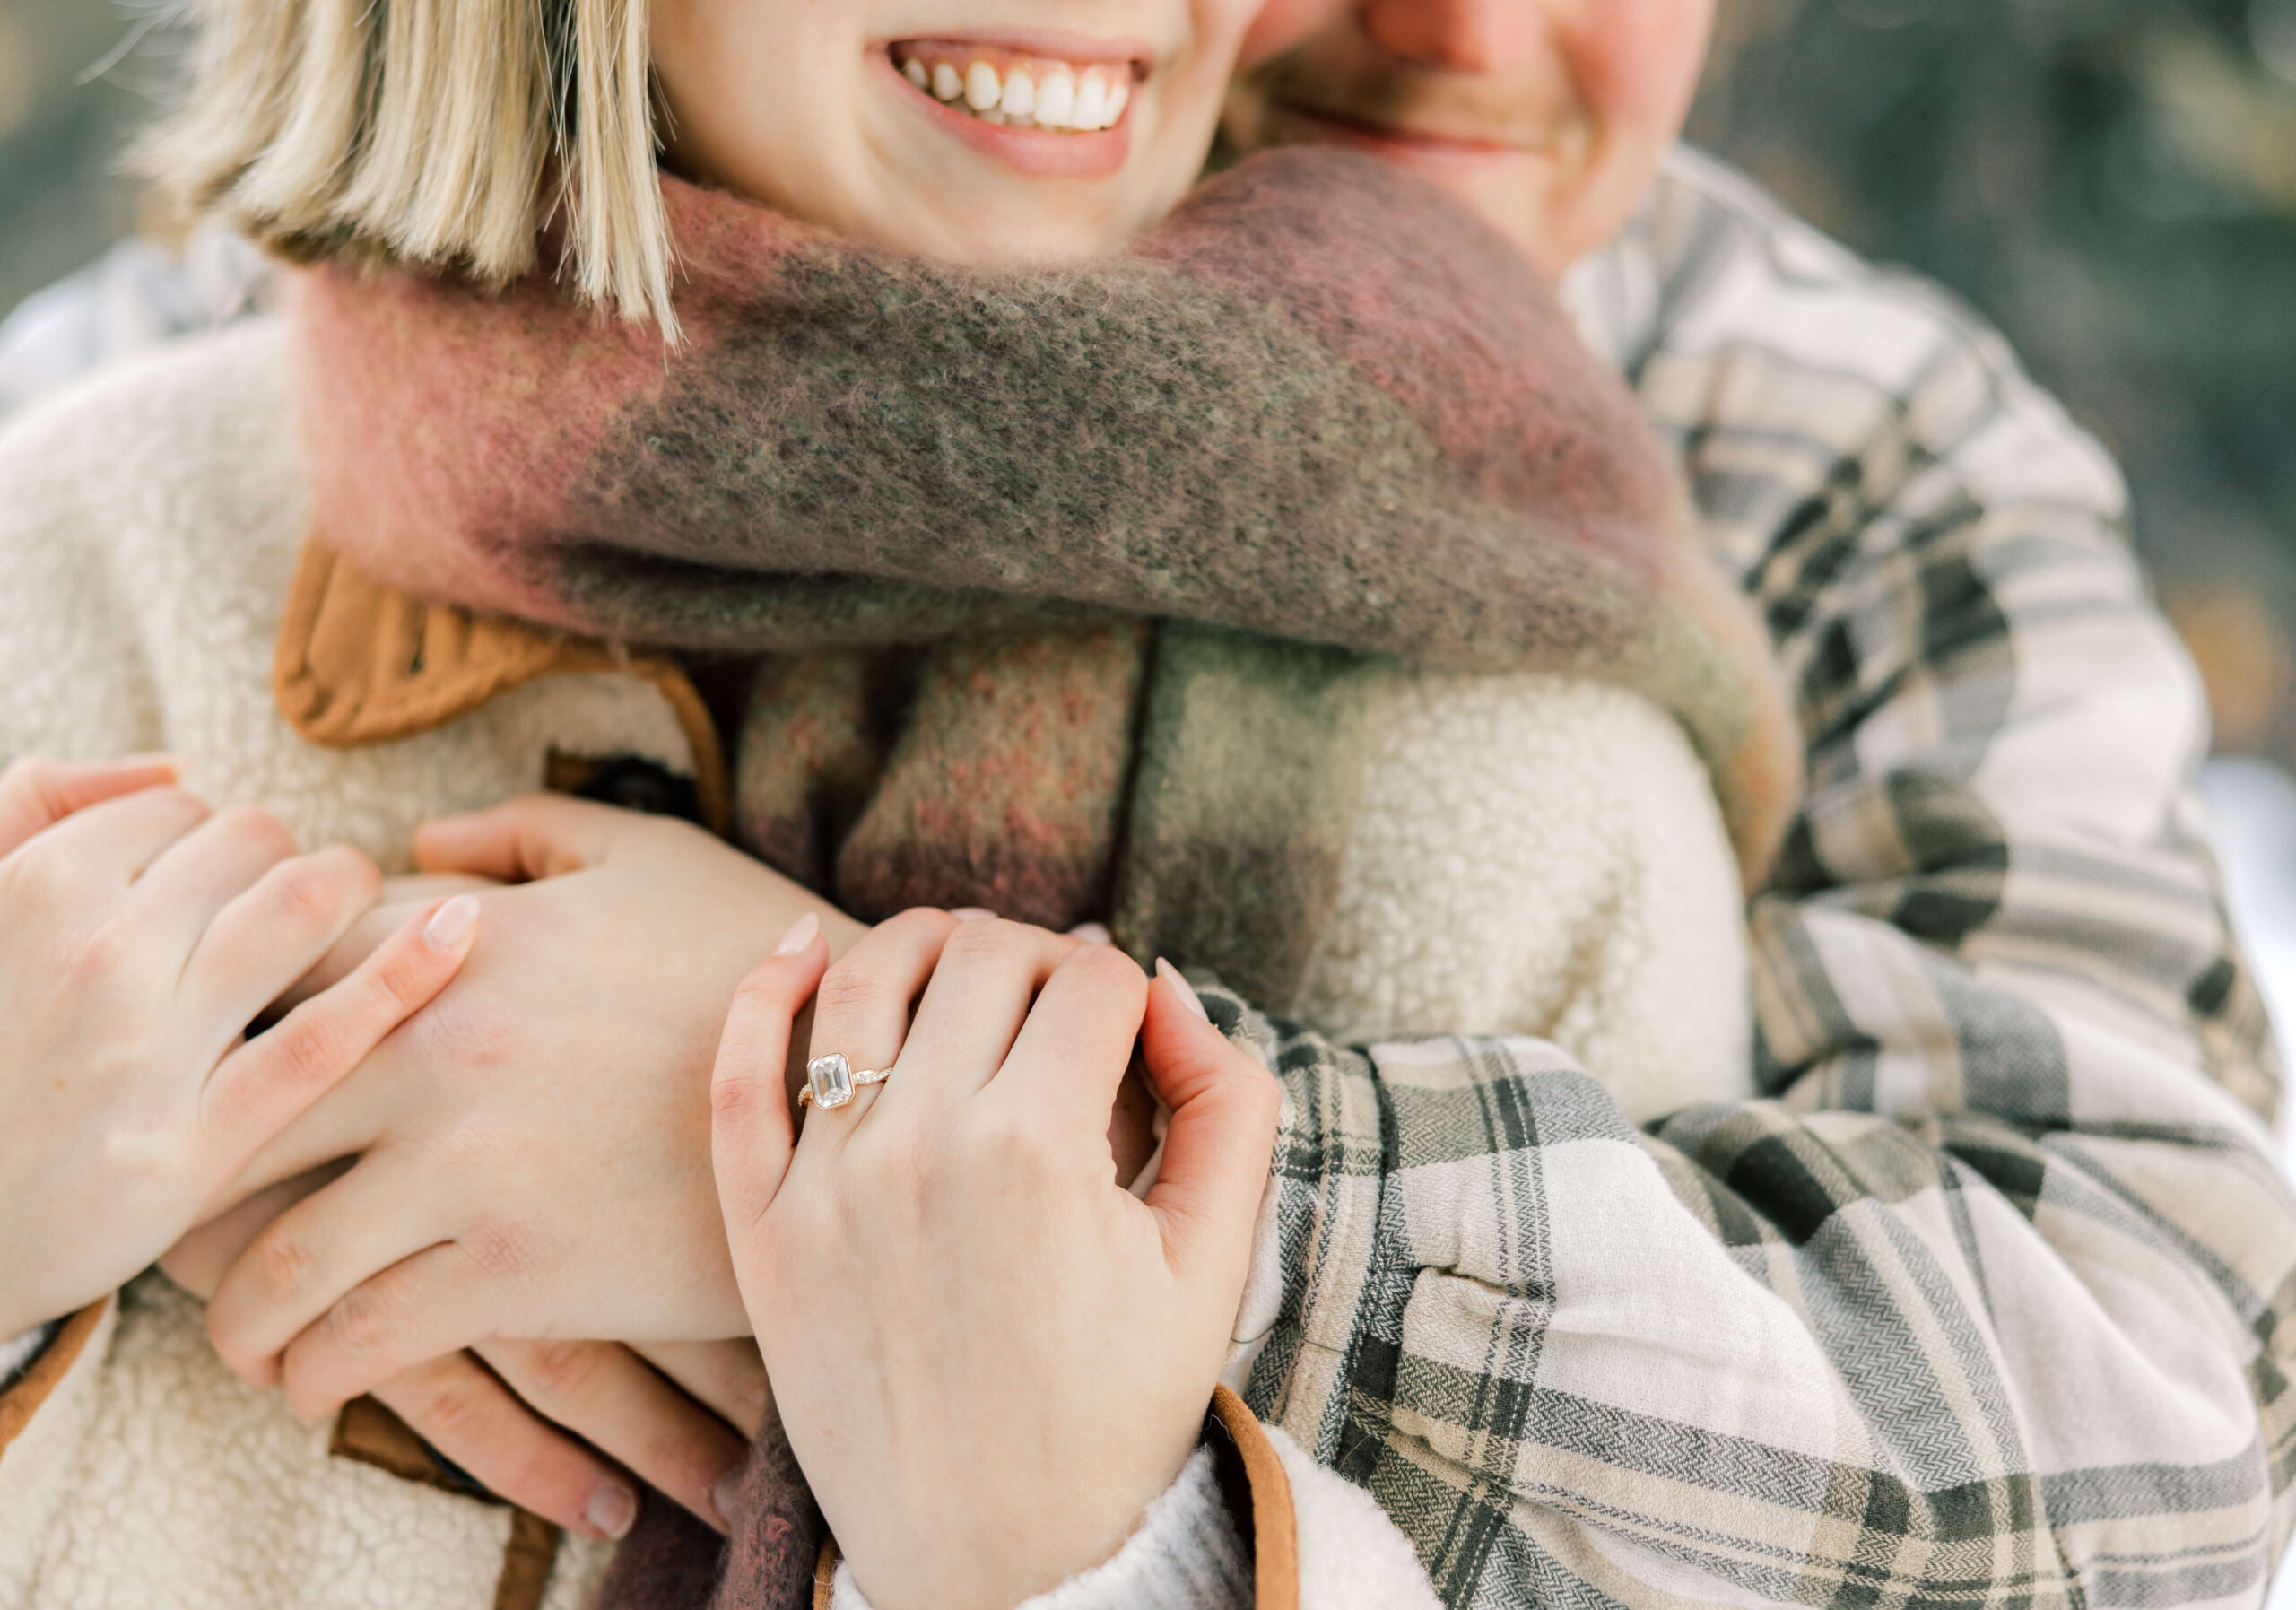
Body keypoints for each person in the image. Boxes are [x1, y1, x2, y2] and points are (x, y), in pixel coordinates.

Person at [2, 2, 2290, 1608]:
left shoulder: (1810, 486)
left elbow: (2142, 1442)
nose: (1464, 37)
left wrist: (945, 1158)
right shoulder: (221, 412)